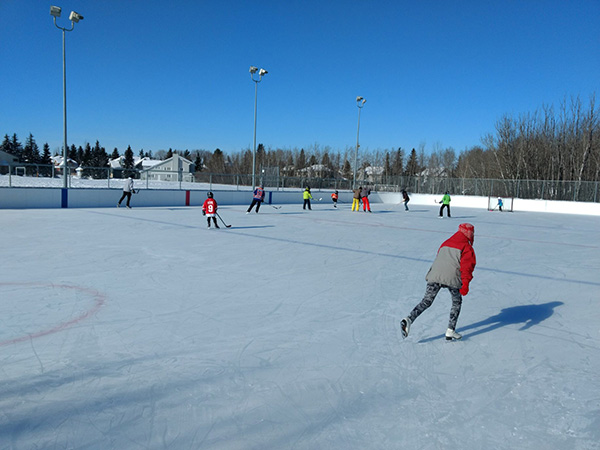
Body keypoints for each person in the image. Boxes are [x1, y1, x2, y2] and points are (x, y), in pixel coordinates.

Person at [400, 223, 476, 341]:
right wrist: (465, 284)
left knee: (427, 301)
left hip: (435, 274)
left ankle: (409, 319)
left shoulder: (446, 242)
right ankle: (450, 330)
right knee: (456, 302)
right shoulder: (466, 247)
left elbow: (439, 258)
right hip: (452, 276)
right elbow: (467, 267)